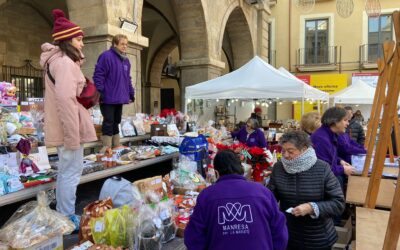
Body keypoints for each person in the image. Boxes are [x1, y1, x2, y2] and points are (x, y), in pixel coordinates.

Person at [40, 9, 97, 228]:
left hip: (67, 128)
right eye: (79, 39)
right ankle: (65, 215)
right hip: (68, 130)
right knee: (71, 173)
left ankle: (64, 213)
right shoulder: (63, 63)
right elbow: (66, 102)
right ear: (67, 40)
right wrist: (73, 135)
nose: (82, 44)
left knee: (68, 171)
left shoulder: (62, 62)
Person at [185, 150, 288, 250]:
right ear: (241, 169)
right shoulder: (263, 192)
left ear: (216, 172)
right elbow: (279, 231)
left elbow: (194, 238)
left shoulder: (206, 195)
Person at [268, 131, 345, 250]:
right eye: (283, 151)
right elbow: (270, 198)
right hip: (288, 234)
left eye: (290, 151)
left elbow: (338, 203)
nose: (286, 155)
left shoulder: (322, 168)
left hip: (317, 237)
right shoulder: (279, 168)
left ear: (304, 149)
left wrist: (312, 208)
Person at [93, 34, 135, 151]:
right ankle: (106, 146)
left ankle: (116, 145)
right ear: (115, 44)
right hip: (108, 96)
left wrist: (131, 93)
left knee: (116, 121)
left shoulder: (126, 61)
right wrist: (100, 91)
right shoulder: (106, 56)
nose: (125, 46)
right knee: (108, 121)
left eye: (126, 44)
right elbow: (98, 75)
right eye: (122, 44)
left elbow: (128, 79)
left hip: (120, 97)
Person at [311, 107, 356, 186]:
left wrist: (340, 161)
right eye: (345, 120)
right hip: (323, 183)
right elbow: (323, 168)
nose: (348, 123)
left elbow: (329, 155)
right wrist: (343, 169)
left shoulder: (329, 134)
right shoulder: (321, 138)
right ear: (335, 121)